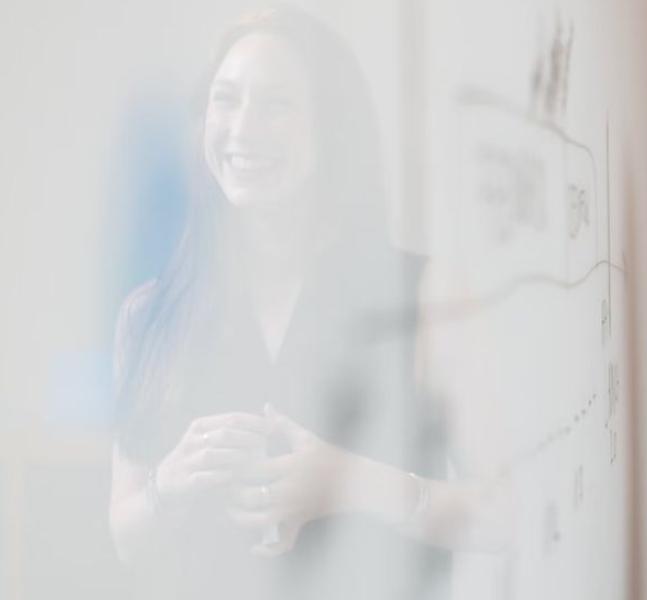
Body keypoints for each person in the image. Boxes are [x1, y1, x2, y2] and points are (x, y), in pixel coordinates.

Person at [106, 8, 456, 599]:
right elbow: (125, 538)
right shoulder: (149, 315)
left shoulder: (422, 294)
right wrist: (171, 481)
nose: (243, 130)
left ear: (332, 128)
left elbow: (502, 510)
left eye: (277, 104)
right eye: (226, 99)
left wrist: (347, 481)